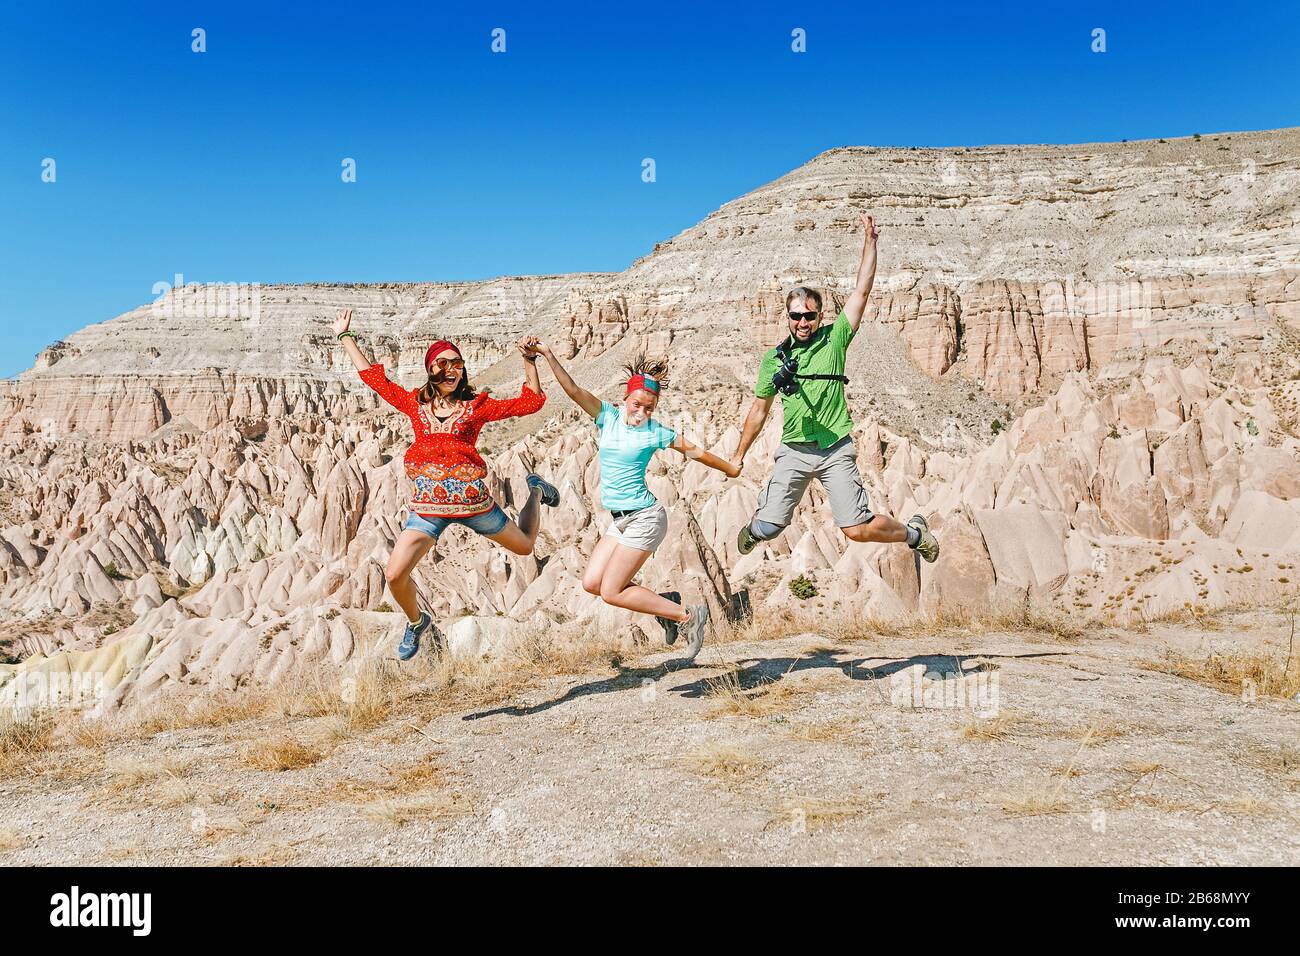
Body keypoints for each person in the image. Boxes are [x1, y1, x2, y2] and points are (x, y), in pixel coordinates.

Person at [334, 309, 561, 660]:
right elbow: (374, 379)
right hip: (428, 509)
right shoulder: (415, 404)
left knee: (526, 547)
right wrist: (345, 336)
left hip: (474, 505)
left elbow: (530, 402)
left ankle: (534, 490)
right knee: (394, 576)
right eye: (442, 363)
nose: (451, 370)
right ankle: (416, 621)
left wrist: (529, 361)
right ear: (430, 370)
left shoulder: (475, 407)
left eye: (457, 363)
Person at [729, 214, 940, 563]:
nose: (802, 322)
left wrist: (870, 243)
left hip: (834, 447)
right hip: (795, 449)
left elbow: (862, 290)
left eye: (809, 316)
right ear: (787, 317)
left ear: (820, 317)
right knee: (768, 528)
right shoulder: (773, 360)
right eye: (796, 316)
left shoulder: (835, 339)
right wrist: (739, 454)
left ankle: (915, 534)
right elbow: (759, 410)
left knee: (856, 529)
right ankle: (755, 530)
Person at [523, 338, 740, 660]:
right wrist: (547, 354)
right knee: (592, 582)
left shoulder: (658, 432)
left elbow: (700, 454)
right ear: (625, 398)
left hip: (645, 517)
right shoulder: (607, 417)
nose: (642, 411)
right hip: (620, 520)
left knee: (612, 591)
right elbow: (572, 390)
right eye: (637, 404)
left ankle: (687, 616)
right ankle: (662, 605)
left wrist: (731, 468)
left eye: (649, 407)